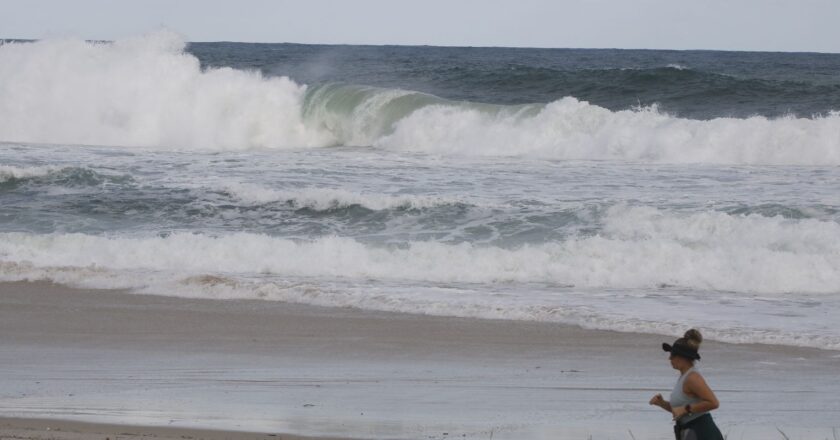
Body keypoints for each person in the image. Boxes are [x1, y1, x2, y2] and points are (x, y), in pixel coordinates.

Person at [649, 329, 723, 440]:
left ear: (681, 357)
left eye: (672, 354)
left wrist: (685, 409)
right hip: (690, 432)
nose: (669, 358)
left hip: (702, 433)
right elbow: (680, 411)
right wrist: (662, 403)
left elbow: (713, 403)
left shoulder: (692, 377)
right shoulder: (684, 377)